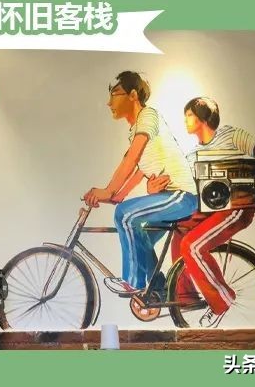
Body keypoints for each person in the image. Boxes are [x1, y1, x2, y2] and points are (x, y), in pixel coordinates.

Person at [147, 96, 255, 327]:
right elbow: (180, 184)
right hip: (210, 209)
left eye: (189, 115)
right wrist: (154, 187)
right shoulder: (193, 154)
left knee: (192, 246)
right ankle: (185, 296)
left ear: (202, 117)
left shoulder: (232, 135)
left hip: (237, 206)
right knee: (179, 230)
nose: (185, 120)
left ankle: (222, 299)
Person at [83, 71, 198, 294]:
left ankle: (133, 282)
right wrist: (116, 195)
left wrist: (109, 190)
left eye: (115, 94)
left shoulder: (148, 116)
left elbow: (133, 157)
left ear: (133, 95)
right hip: (170, 197)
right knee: (139, 235)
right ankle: (159, 288)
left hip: (182, 196)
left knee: (124, 214)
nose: (109, 103)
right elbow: (139, 169)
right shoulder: (136, 129)